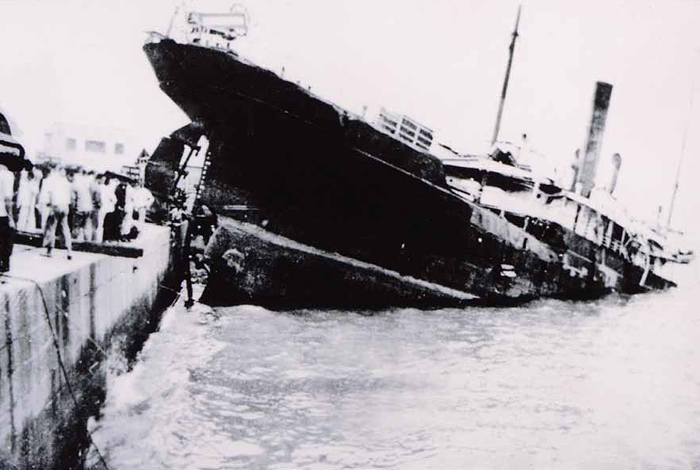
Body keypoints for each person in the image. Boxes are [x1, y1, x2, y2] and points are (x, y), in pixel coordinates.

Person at [43, 165, 73, 259]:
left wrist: (51, 206)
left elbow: (51, 194)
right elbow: (70, 197)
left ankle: (49, 250)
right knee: (65, 228)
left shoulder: (54, 180)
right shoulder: (67, 182)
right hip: (65, 206)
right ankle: (69, 251)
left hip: (56, 205)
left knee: (51, 227)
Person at [0, 163, 15, 272]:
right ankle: (5, 264)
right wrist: (11, 218)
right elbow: (7, 199)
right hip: (2, 213)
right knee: (6, 241)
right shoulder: (7, 175)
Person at [16, 167, 40, 232]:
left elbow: (35, 192)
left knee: (30, 214)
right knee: (23, 213)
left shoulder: (33, 183)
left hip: (30, 201)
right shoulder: (24, 182)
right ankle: (21, 227)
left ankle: (29, 228)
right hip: (25, 201)